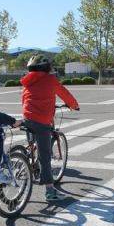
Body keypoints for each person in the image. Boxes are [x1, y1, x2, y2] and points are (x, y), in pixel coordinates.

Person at [20, 54, 80, 201]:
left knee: (31, 144)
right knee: (44, 156)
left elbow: (24, 99)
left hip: (27, 118)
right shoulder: (50, 80)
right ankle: (50, 191)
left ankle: (24, 160)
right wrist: (74, 105)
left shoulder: (27, 81)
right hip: (42, 121)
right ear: (46, 68)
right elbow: (64, 93)